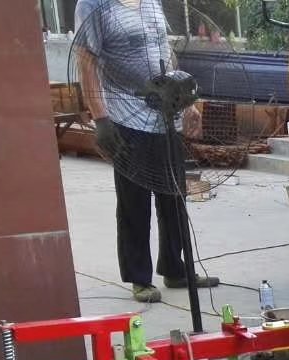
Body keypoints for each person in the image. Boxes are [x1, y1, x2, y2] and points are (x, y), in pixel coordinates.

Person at [74, 0, 219, 304]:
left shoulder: (151, 1)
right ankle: (139, 278)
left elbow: (164, 52)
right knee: (134, 201)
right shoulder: (93, 4)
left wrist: (186, 101)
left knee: (174, 195)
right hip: (126, 116)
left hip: (165, 113)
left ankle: (175, 268)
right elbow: (86, 61)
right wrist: (101, 119)